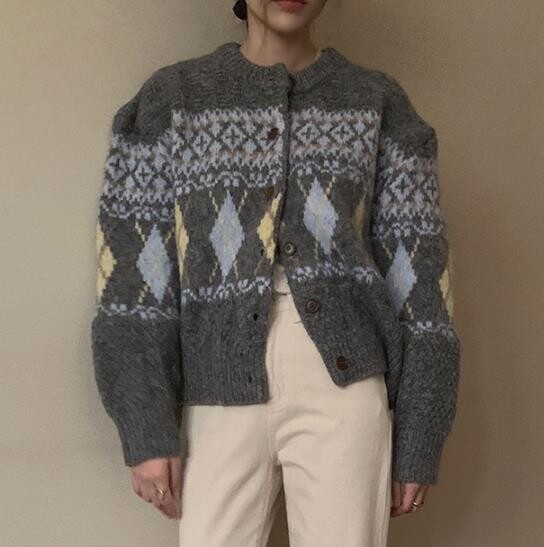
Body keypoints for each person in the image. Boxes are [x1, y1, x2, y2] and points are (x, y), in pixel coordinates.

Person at [90, 0, 461, 545]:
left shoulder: (376, 101)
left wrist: (420, 434)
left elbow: (422, 286)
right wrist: (144, 423)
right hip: (216, 380)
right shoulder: (174, 98)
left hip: (345, 385)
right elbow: (133, 284)